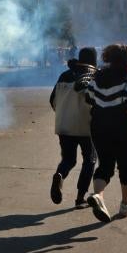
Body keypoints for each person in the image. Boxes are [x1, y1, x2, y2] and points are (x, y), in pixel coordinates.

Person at [81, 44, 127, 223]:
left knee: (105, 165)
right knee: (125, 165)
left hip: (98, 127)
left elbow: (89, 98)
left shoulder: (97, 77)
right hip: (122, 128)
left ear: (108, 58)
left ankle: (98, 195)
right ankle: (125, 204)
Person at [48, 47, 98, 208]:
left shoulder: (64, 75)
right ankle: (80, 198)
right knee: (90, 160)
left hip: (64, 125)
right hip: (86, 126)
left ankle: (60, 174)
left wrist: (63, 113)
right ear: (94, 60)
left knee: (68, 159)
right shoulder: (94, 76)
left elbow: (53, 100)